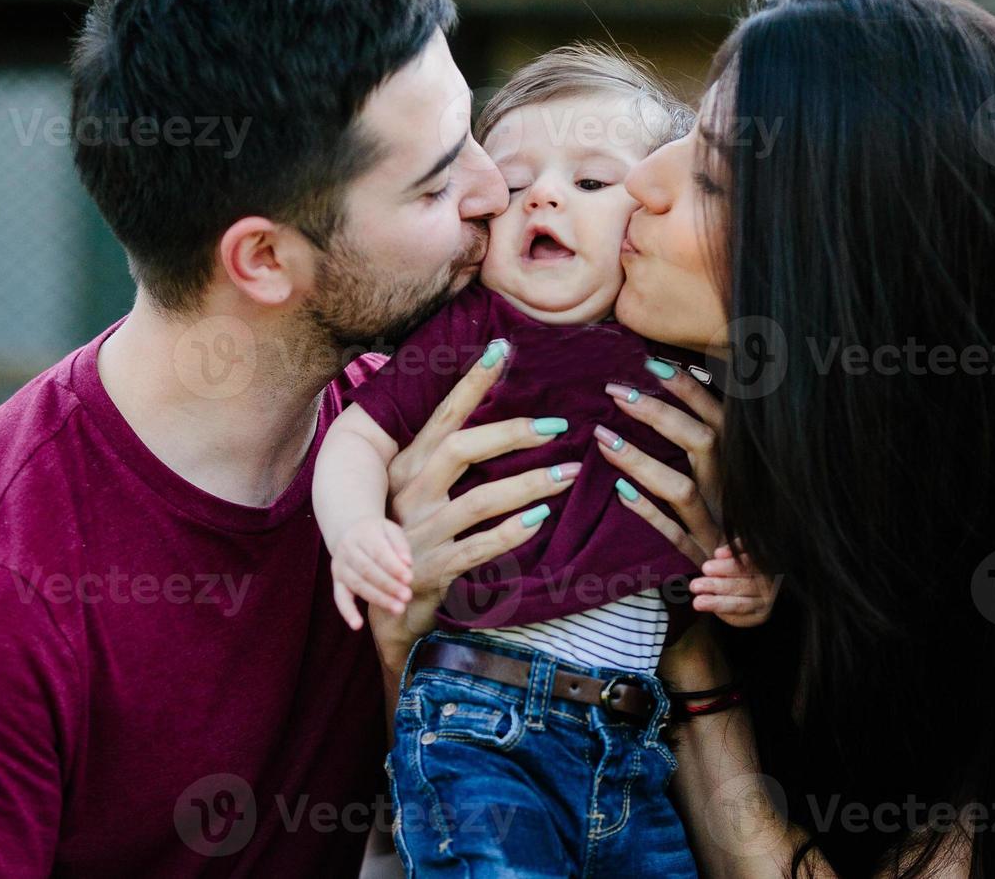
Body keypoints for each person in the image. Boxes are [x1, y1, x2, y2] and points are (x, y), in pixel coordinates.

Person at [0, 0, 572, 876]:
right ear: (262, 259)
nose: (492, 191)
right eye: (432, 189)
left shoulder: (433, 442)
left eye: (473, 135)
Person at [604, 0, 995, 877]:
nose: (638, 184)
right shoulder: (584, 436)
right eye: (686, 134)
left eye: (716, 181)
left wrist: (691, 650)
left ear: (851, 272)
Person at [316, 45, 776, 875]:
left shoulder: (687, 355)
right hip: (480, 714)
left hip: (631, 738)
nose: (547, 195)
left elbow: (755, 512)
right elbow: (357, 436)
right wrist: (355, 528)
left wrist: (750, 578)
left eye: (593, 183)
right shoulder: (470, 335)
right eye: (516, 184)